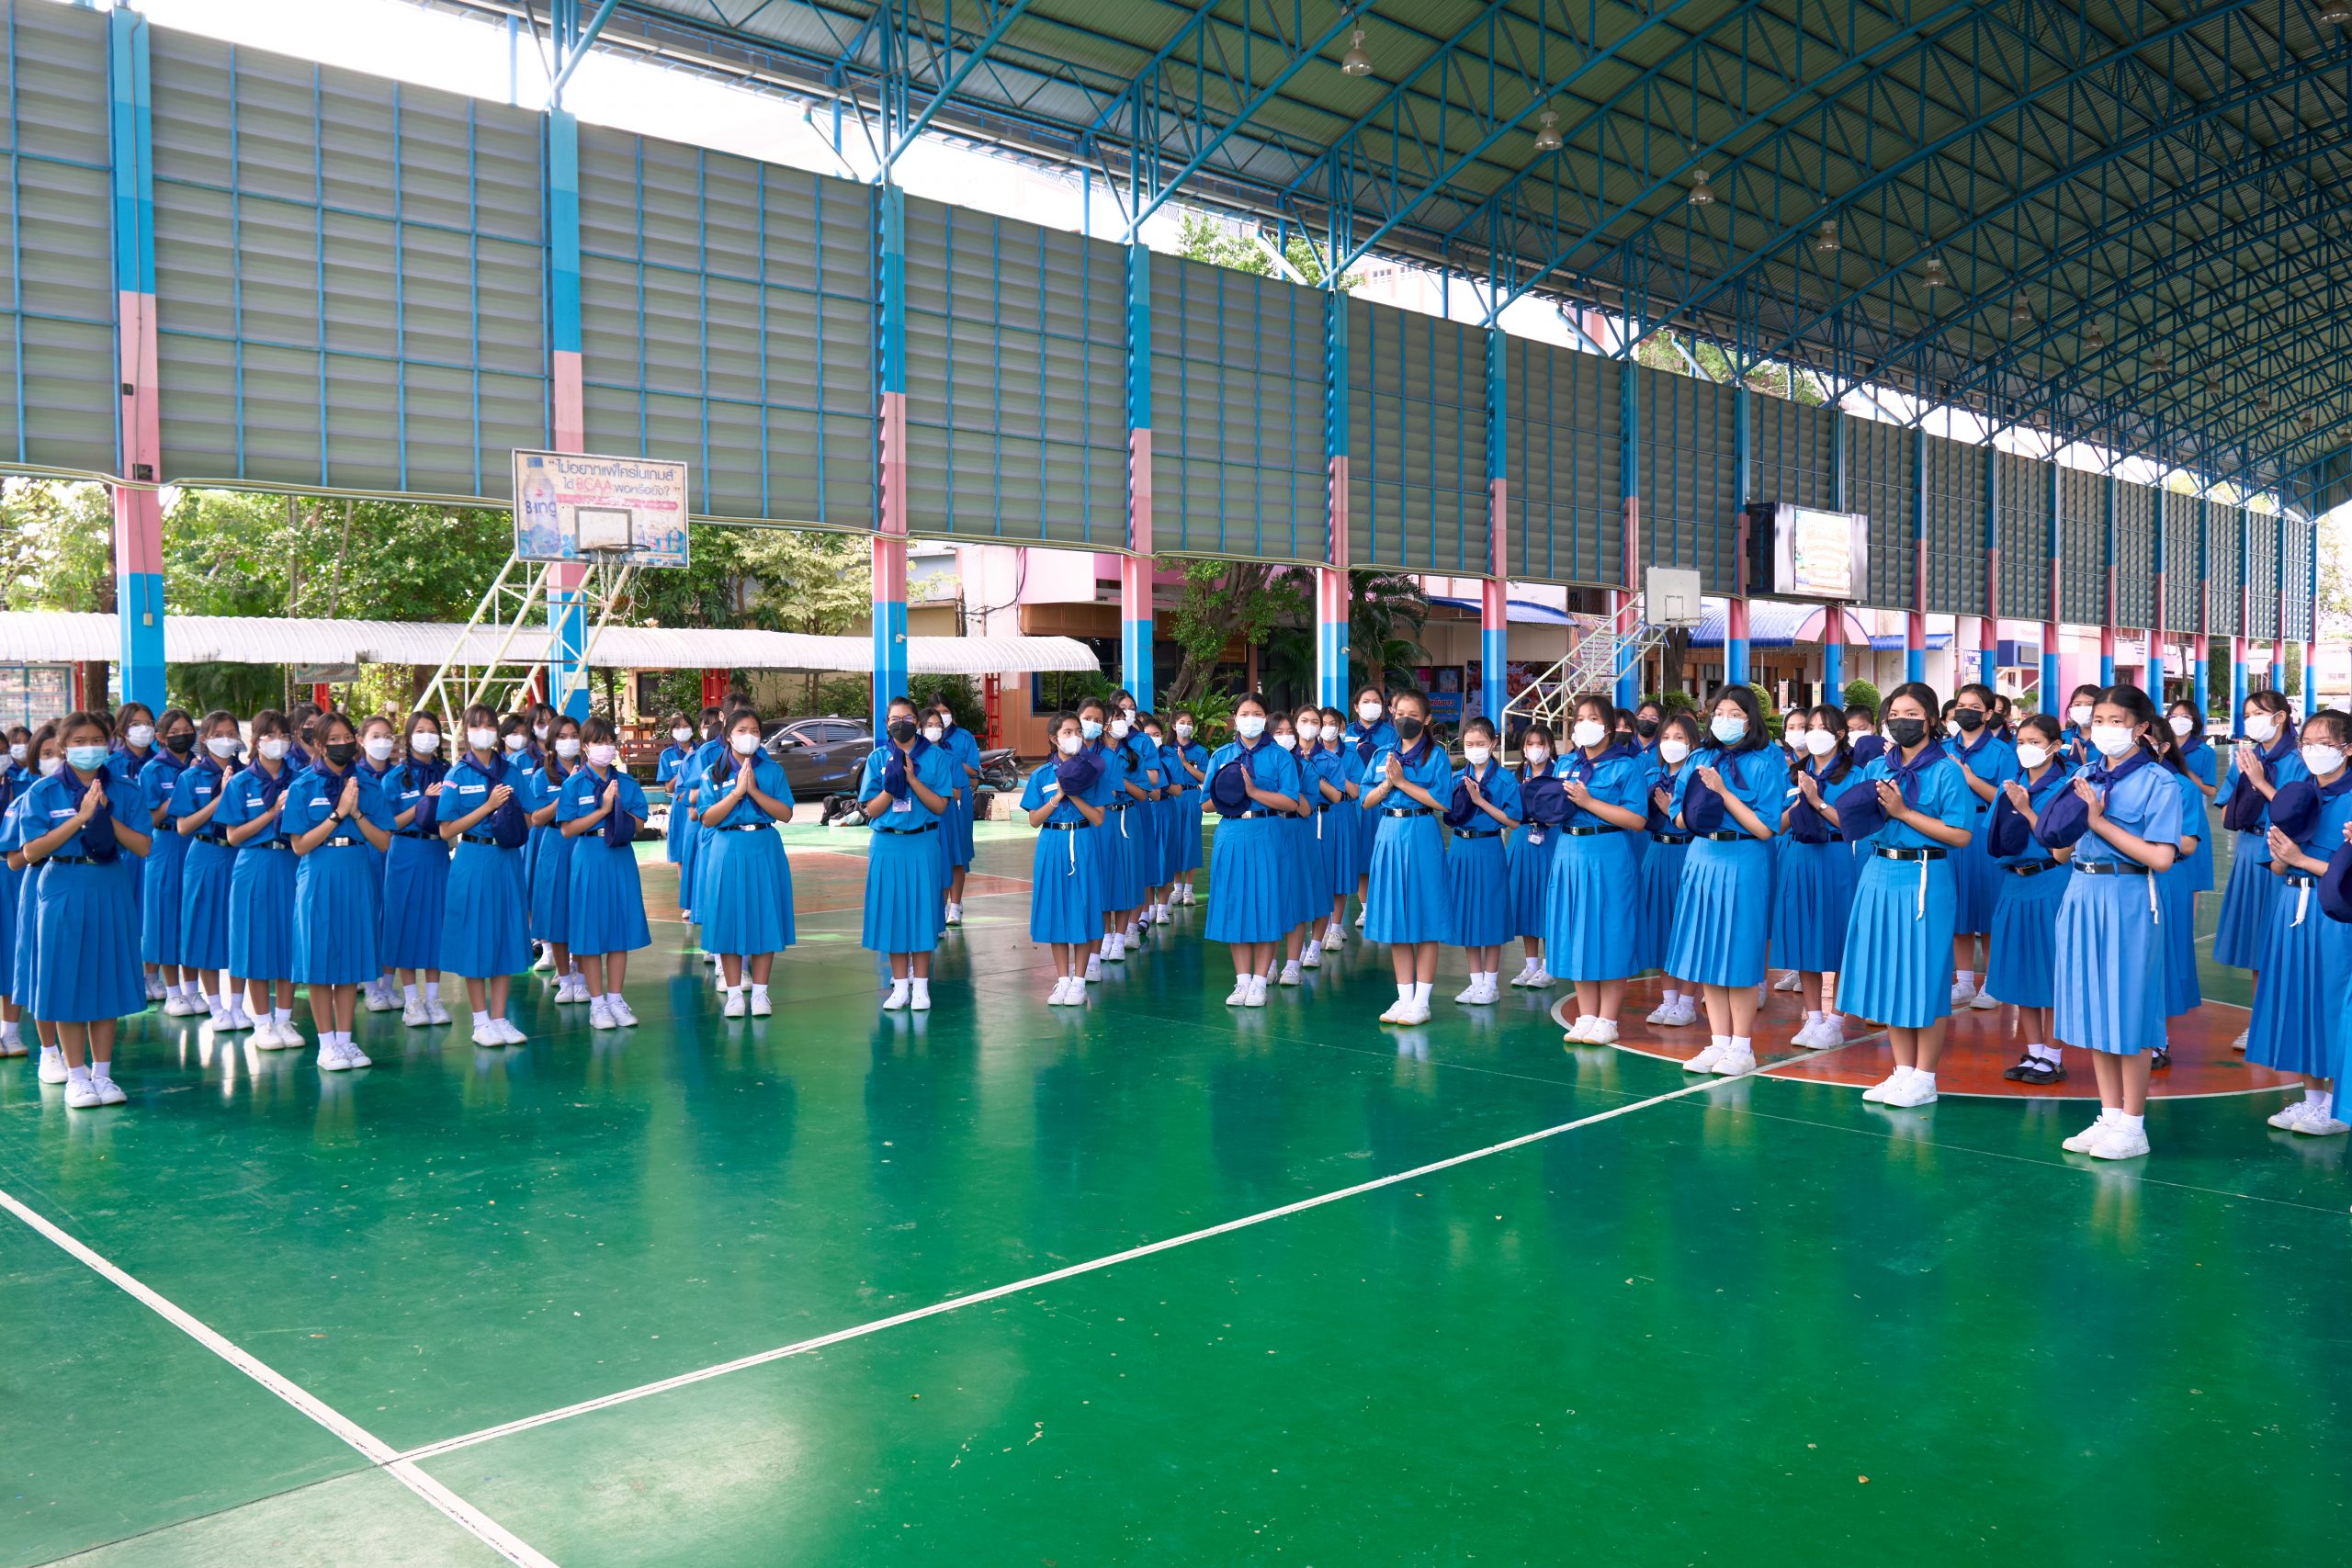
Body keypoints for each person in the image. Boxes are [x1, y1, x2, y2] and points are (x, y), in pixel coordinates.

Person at [2049, 685, 2182, 1160]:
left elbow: (2161, 858)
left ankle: (2133, 1124)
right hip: (2081, 891)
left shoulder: (2159, 782)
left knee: (2128, 1010)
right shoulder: (2083, 774)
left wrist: (2098, 821)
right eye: (2098, 720)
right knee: (2093, 1008)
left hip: (2128, 896)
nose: (2103, 728)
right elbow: (2058, 852)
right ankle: (2108, 1116)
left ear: (2141, 727)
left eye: (2115, 720)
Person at [1831, 683, 1975, 1104]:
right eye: (1894, 714)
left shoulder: (1946, 770)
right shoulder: (1878, 766)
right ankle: (1902, 1070)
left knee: (1925, 975)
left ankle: (1925, 1077)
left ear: (1931, 719)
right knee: (1891, 972)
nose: (1901, 721)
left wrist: (1904, 813)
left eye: (1911, 714)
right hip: (1880, 870)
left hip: (1924, 874)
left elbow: (1961, 835)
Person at [21, 711, 153, 1107]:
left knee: (105, 975)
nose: (88, 747)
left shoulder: (125, 789)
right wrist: (79, 819)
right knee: (67, 978)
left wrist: (105, 817)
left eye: (96, 740)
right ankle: (76, 1075)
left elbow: (143, 846)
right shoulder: (44, 792)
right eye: (78, 742)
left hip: (109, 882)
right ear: (64, 747)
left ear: (108, 744)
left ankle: (103, 1074)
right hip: (63, 882)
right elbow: (31, 851)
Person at [1668, 684, 1788, 1075]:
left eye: (1735, 714)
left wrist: (1722, 793)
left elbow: (1765, 828)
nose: (1726, 720)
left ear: (1750, 721)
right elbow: (1677, 816)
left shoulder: (1764, 763)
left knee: (1739, 953)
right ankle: (1718, 1042)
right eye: (1720, 713)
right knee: (1708, 951)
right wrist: (1695, 809)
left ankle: (1742, 1046)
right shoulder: (1699, 758)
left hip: (1744, 858)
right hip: (1703, 855)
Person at [2245, 709, 2352, 1134]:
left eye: (2324, 744)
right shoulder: (2297, 796)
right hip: (2291, 904)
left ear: (2347, 749)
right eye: (2306, 743)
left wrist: (2301, 859)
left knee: (2332, 1000)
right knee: (2300, 997)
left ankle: (2339, 1104)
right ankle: (2313, 1098)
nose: (2312, 751)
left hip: (2334, 909)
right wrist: (2283, 854)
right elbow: (2275, 865)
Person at [281, 713, 396, 1069]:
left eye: (347, 737)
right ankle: (326, 1043)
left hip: (357, 870)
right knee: (320, 960)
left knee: (350, 958)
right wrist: (337, 814)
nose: (342, 744)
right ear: (318, 745)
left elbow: (383, 842)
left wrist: (356, 813)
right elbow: (299, 845)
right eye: (333, 739)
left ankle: (346, 1040)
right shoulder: (304, 786)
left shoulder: (368, 785)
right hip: (319, 872)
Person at [438, 703, 546, 1045]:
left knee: (504, 936)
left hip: (506, 860)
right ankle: (480, 1020)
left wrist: (509, 823)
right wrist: (488, 807)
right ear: (466, 732)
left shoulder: (511, 772)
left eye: (488, 725)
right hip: (473, 858)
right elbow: (446, 830)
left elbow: (531, 815)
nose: (482, 731)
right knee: (475, 937)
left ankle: (499, 1018)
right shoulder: (458, 775)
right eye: (476, 725)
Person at [1544, 698, 1648, 1041]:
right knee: (1577, 931)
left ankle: (1608, 1020)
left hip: (1608, 852)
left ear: (1608, 728)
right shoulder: (1565, 763)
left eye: (1593, 718)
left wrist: (1589, 802)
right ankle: (1587, 1015)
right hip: (1569, 851)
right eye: (1579, 718)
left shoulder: (1625, 766)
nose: (1584, 724)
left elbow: (1636, 820)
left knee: (1611, 931)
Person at [857, 694, 960, 1010]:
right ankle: (900, 987)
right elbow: (871, 810)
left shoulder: (935, 757)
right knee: (893, 913)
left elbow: (940, 806)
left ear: (916, 721)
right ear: (886, 724)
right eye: (894, 719)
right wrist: (891, 787)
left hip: (922, 842)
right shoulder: (877, 758)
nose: (900, 724)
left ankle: (921, 987)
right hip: (887, 843)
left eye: (906, 718)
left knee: (922, 912)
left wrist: (912, 780)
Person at [1202, 694, 1304, 1007]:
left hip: (1267, 832)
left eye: (1257, 713)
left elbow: (1291, 802)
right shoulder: (1221, 756)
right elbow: (1205, 804)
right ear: (1234, 718)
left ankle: (1260, 982)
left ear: (1265, 717)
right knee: (1236, 905)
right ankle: (1242, 981)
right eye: (1244, 713)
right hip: (1232, 833)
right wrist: (1229, 790)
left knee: (1267, 903)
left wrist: (1254, 792)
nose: (1251, 719)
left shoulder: (1280, 757)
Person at [2214, 689, 2301, 1051]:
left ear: (2280, 717)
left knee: (2285, 941)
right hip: (2250, 848)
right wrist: (2246, 789)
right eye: (2247, 714)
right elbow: (2226, 811)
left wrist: (2262, 784)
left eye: (2258, 713)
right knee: (2257, 943)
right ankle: (2260, 1021)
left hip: (2283, 849)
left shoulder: (2298, 760)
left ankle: (2288, 1023)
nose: (2251, 721)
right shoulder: (2246, 758)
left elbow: (2299, 812)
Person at [695, 707, 796, 1018]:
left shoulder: (772, 771)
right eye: (741, 731)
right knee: (728, 917)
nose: (748, 736)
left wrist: (753, 791)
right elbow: (707, 818)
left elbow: (785, 813)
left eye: (754, 731)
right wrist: (737, 793)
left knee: (765, 917)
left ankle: (761, 994)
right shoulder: (714, 772)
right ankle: (735, 994)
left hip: (764, 845)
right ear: (728, 736)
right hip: (727, 847)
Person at [1990, 715, 2075, 1085]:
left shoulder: (2066, 786)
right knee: (2021, 968)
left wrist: (2026, 809)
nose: (2025, 748)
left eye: (2034, 741)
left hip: (2050, 880)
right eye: (2021, 741)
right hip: (2014, 882)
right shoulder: (2012, 784)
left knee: (2051, 969)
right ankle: (2035, 1050)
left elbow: (2061, 846)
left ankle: (2053, 1055)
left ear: (2054, 745)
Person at [1361, 689, 1453, 1025]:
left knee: (1425, 918)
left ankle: (1422, 1002)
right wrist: (1387, 785)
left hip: (1421, 831)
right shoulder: (1382, 754)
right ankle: (1404, 997)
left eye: (1413, 715)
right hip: (1388, 832)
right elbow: (1365, 800)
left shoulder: (1436, 757)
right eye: (1400, 713)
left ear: (1427, 719)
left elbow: (1442, 801)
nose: (1405, 720)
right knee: (1396, 919)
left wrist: (1402, 782)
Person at [214, 709, 303, 1048]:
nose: (277, 742)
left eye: (283, 736)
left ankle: (284, 1019)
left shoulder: (300, 780)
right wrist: (272, 812)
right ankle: (263, 1022)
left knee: (290, 942)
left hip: (291, 861)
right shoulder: (241, 782)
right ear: (255, 741)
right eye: (270, 736)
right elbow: (234, 836)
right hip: (255, 863)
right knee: (256, 941)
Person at [560, 716, 652, 1029]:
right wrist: (601, 810)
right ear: (585, 747)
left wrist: (617, 807)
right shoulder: (574, 784)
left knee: (618, 930)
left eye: (609, 741)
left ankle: (615, 998)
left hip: (620, 856)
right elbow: (568, 829)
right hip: (589, 855)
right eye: (598, 742)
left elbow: (639, 823)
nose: (605, 748)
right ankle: (597, 1004)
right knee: (590, 930)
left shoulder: (625, 782)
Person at [1779, 704, 1861, 1047]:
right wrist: (1798, 804)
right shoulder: (1793, 773)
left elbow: (1854, 825)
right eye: (1809, 727)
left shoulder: (1855, 775)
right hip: (1799, 855)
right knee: (1805, 936)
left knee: (1841, 938)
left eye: (1823, 727)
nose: (1814, 733)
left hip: (1837, 856)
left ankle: (1836, 1021)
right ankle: (1813, 1018)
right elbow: (1776, 823)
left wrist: (1817, 802)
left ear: (1840, 734)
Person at [1023, 713, 1107, 1003]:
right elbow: (1034, 820)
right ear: (1054, 738)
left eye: (1078, 732)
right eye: (1067, 732)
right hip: (1051, 842)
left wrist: (1075, 794)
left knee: (1083, 908)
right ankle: (1062, 980)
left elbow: (1098, 818)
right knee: (1055, 909)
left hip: (1082, 840)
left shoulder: (1093, 773)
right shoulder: (1041, 775)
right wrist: (1057, 797)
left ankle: (1079, 981)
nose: (1074, 737)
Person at [1943, 683, 2018, 1011]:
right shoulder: (1943, 748)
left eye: (1975, 707)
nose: (1966, 712)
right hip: (1949, 829)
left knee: (1988, 909)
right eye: (1961, 705)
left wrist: (1971, 780)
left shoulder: (2003, 752)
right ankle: (1963, 982)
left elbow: (2007, 798)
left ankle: (1992, 982)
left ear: (1988, 715)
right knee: (1957, 908)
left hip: (1985, 828)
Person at [169, 711, 244, 1029]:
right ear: (205, 739)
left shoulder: (248, 775)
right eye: (218, 734)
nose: (226, 739)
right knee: (205, 928)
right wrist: (221, 800)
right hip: (205, 853)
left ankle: (238, 1005)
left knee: (240, 929)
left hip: (240, 855)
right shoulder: (191, 777)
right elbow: (183, 826)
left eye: (231, 733)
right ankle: (216, 1006)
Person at [383, 711, 453, 1027]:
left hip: (437, 851)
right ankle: (412, 1000)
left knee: (436, 923)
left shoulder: (449, 773)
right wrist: (421, 804)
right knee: (405, 923)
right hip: (406, 852)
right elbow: (388, 824)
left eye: (432, 730)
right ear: (409, 737)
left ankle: (433, 998)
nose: (427, 736)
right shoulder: (395, 778)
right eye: (420, 731)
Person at [1444, 716, 1521, 1005]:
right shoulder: (1456, 779)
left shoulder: (1504, 780)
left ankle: (1490, 984)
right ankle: (1475, 982)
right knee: (1465, 913)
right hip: (1460, 847)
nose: (1474, 748)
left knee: (1490, 913)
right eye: (1469, 743)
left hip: (1488, 847)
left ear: (1493, 743)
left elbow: (1513, 821)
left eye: (1480, 743)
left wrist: (1480, 801)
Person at [1638, 713, 1704, 1026]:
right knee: (1661, 927)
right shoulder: (1652, 774)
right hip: (1657, 851)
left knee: (1690, 927)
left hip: (1689, 851)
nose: (1670, 744)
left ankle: (1687, 1002)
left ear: (1692, 743)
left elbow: (1704, 821)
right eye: (1665, 737)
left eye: (1679, 738)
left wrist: (1671, 810)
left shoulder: (1699, 777)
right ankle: (1668, 1000)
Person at [140, 707, 202, 1016]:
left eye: (187, 731)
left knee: (192, 916)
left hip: (196, 844)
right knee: (164, 917)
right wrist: (181, 790)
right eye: (174, 732)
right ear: (161, 737)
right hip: (165, 843)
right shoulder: (152, 770)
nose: (182, 736)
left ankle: (193, 989)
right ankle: (173, 992)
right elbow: (149, 817)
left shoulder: (202, 766)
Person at [526, 715, 586, 1001]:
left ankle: (581, 975)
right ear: (552, 742)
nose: (569, 741)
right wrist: (566, 793)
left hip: (584, 842)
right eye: (562, 737)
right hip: (554, 844)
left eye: (574, 735)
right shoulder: (542, 776)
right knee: (556, 912)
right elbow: (536, 818)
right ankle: (564, 979)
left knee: (583, 911)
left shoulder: (591, 771)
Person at [354, 714, 405, 1013]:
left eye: (388, 736)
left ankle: (387, 983)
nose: (383, 742)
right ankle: (370, 985)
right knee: (367, 916)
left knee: (392, 917)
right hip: (364, 852)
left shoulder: (400, 775)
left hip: (394, 852)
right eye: (376, 736)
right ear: (361, 741)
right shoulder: (354, 777)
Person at [1295, 705, 1351, 977]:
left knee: (1322, 883)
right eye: (1303, 720)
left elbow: (1337, 795)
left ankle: (1316, 945)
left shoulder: (1330, 760)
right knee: (1296, 885)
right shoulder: (1284, 757)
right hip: (1293, 825)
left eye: (1314, 721)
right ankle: (1297, 948)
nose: (1309, 726)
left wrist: (1312, 775)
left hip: (1322, 822)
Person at [1505, 722, 1561, 988]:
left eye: (1541, 744)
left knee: (1548, 902)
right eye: (1530, 744)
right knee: (1526, 901)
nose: (1535, 749)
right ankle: (1531, 965)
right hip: (1522, 839)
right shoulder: (1517, 776)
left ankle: (1550, 965)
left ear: (1550, 747)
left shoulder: (1559, 774)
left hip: (1550, 841)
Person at [1343, 685, 1398, 924]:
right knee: (1361, 856)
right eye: (1366, 701)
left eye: (1376, 701)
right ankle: (1366, 908)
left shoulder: (1391, 733)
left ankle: (1385, 905)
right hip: (1356, 802)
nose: (1371, 705)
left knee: (1384, 854)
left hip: (1383, 800)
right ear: (1356, 707)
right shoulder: (1345, 733)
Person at [931, 697, 983, 928]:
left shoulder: (963, 738)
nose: (940, 719)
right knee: (940, 855)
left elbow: (972, 772)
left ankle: (955, 905)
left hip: (958, 806)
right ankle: (938, 908)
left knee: (957, 853)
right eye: (936, 714)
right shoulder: (918, 748)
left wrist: (946, 761)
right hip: (933, 808)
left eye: (945, 712)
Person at [1165, 710, 1208, 908]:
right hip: (1173, 797)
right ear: (1174, 726)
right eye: (1182, 722)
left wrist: (1184, 763)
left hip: (1192, 797)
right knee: (1174, 840)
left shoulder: (1200, 751)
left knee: (1191, 840)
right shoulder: (1166, 751)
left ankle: (1189, 889)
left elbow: (1205, 778)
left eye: (1189, 723)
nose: (1186, 726)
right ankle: (1177, 888)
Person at [2059, 682, 2103, 764]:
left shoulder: (2109, 739)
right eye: (2077, 704)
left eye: (2090, 704)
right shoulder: (2061, 737)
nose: (2083, 709)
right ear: (2071, 707)